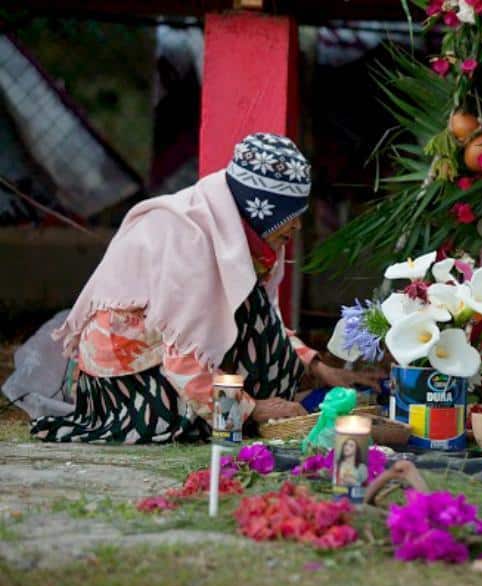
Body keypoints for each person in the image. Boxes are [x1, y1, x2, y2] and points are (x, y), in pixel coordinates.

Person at [31, 133, 383, 444]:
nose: (297, 227)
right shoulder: (190, 238)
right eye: (289, 216)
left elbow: (267, 323)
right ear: (261, 210)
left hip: (165, 365)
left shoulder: (232, 234)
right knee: (200, 419)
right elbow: (181, 357)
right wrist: (253, 408)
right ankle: (249, 410)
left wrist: (319, 367)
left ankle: (264, 404)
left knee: (253, 306)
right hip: (126, 384)